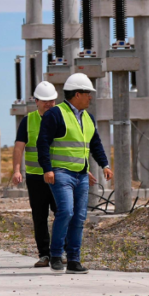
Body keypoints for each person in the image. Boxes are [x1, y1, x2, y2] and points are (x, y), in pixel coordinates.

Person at [37, 73, 112, 274]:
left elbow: (94, 143)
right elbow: (42, 143)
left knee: (79, 217)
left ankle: (73, 261)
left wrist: (104, 164)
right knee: (66, 211)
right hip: (60, 173)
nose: (91, 97)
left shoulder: (88, 118)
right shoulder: (55, 114)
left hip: (81, 174)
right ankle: (55, 255)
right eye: (88, 93)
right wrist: (47, 169)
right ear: (77, 94)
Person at [11, 81, 59, 267]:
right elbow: (19, 147)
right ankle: (44, 254)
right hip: (35, 177)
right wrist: (16, 170)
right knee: (39, 216)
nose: (48, 104)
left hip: (57, 176)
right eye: (45, 100)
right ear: (36, 101)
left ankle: (58, 251)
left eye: (51, 100)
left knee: (61, 214)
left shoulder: (60, 117)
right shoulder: (28, 120)